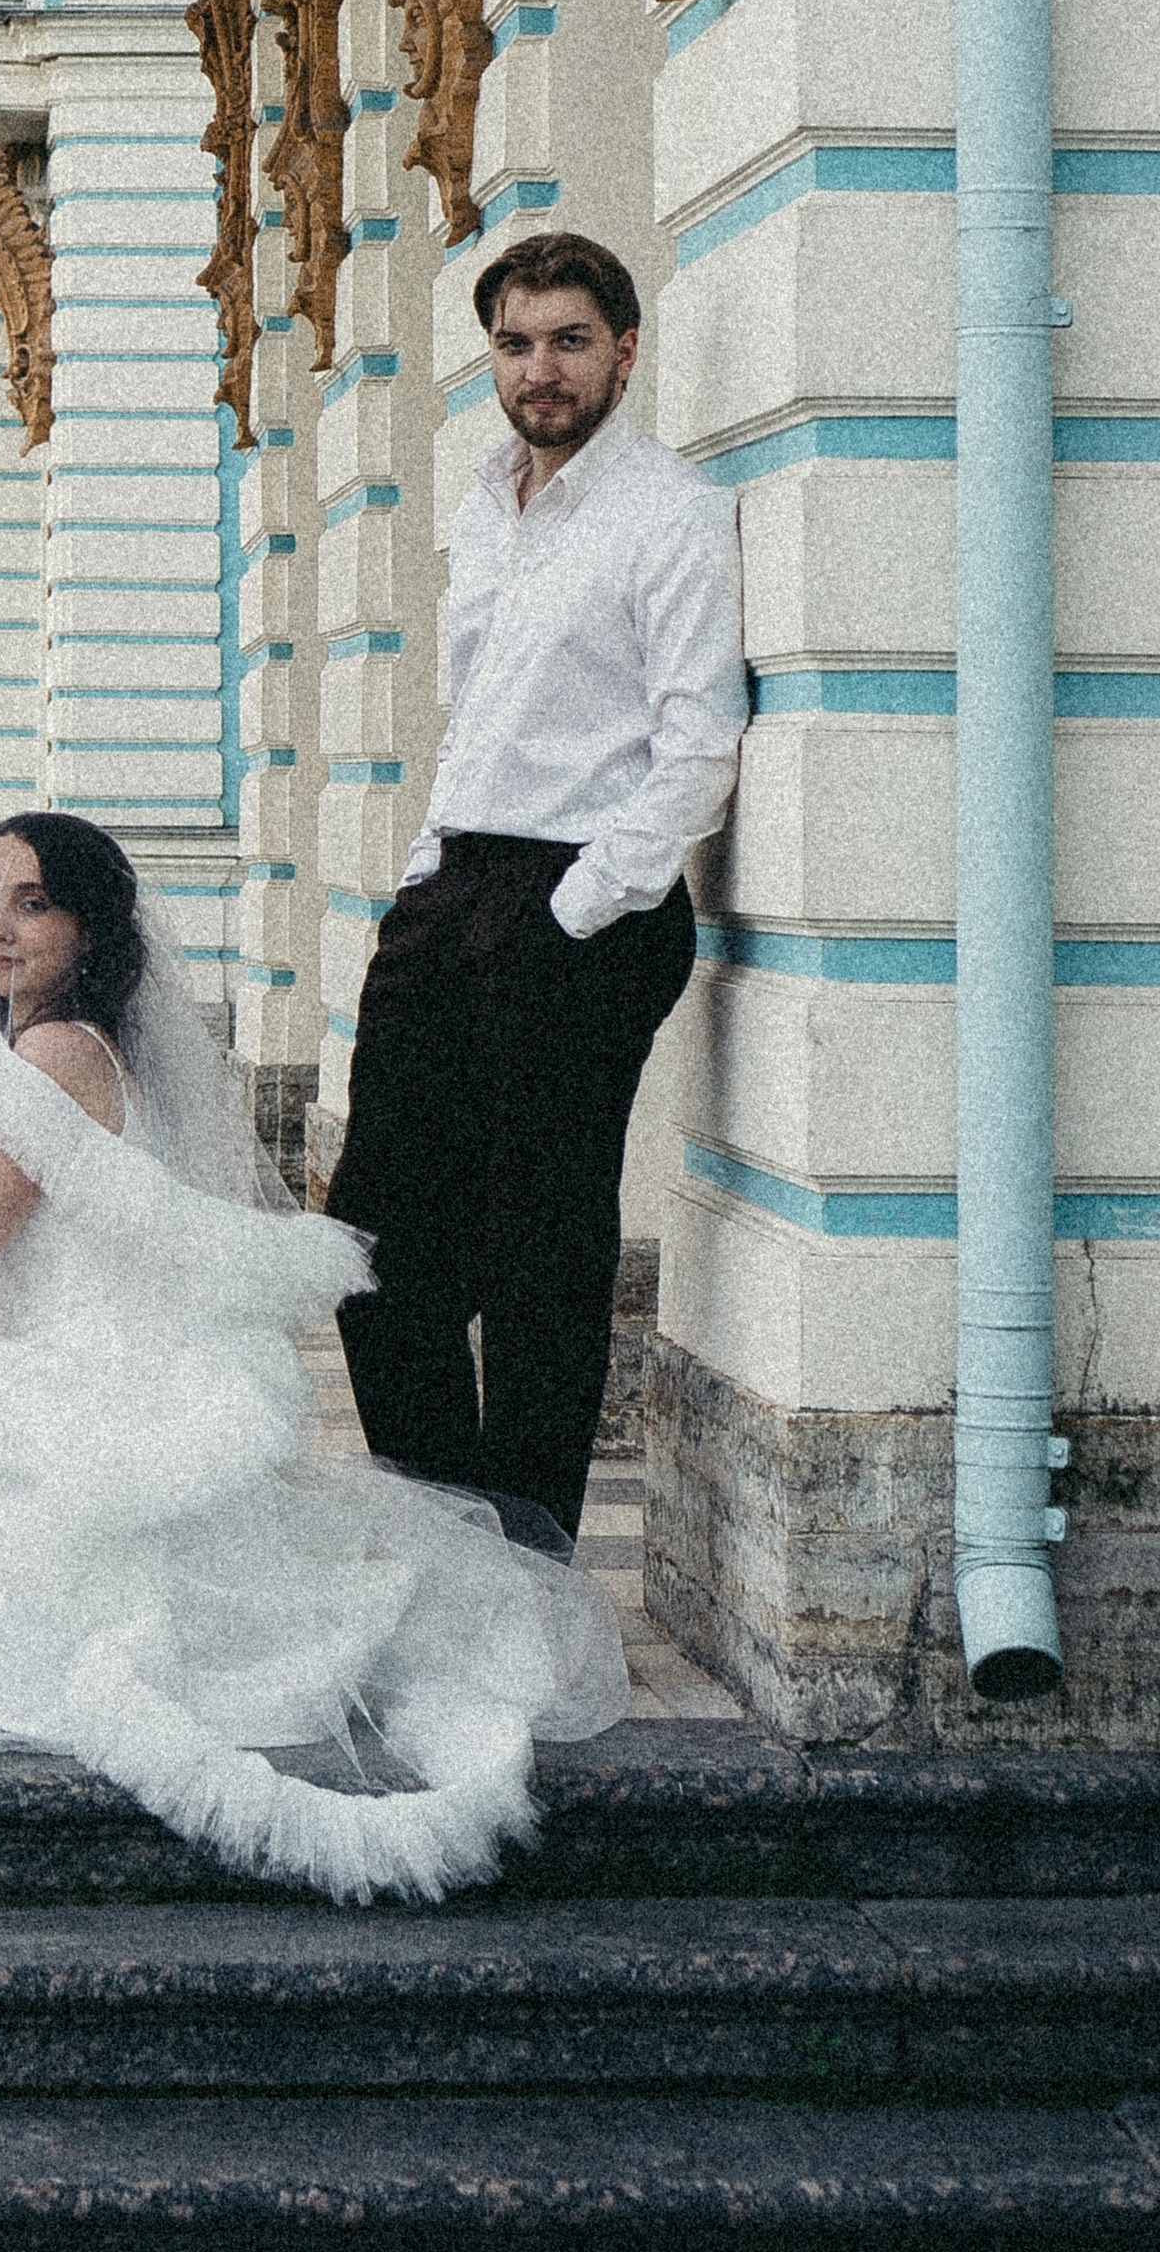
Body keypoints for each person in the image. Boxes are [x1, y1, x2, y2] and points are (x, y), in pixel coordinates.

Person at [0, 809, 625, 1902]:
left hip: (92, 1387)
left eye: (33, 903)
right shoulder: (25, 1048)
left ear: (89, 933)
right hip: (44, 1363)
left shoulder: (54, 1054)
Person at [325, 229, 747, 1559]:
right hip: (460, 884)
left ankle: (526, 1572)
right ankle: (450, 1542)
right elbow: (478, 716)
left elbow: (698, 746)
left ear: (625, 349)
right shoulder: (482, 502)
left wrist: (578, 908)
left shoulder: (668, 514)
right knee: (373, 1259)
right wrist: (424, 876)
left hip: (585, 907)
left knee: (539, 1267)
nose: (540, 370)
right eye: (515, 344)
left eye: (569, 341)